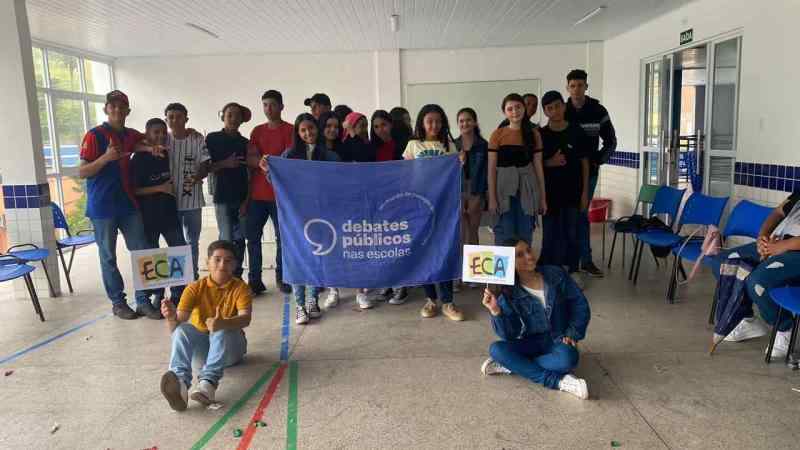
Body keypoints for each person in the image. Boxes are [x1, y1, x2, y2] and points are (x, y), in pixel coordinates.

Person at [481, 238, 590, 400]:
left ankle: (515, 365)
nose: (529, 256)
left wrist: (572, 334)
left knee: (568, 359)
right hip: (531, 341)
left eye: (529, 250)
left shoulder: (555, 274)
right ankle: (558, 382)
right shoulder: (509, 293)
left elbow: (580, 305)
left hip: (558, 339)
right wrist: (496, 311)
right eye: (520, 255)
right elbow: (510, 335)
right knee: (496, 349)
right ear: (509, 262)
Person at [78, 90, 151, 320]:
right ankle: (118, 303)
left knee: (142, 252)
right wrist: (105, 158)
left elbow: (145, 141)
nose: (117, 110)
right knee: (108, 256)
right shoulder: (94, 135)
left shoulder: (131, 134)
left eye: (122, 107)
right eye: (113, 107)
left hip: (128, 203)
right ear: (106, 109)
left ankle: (143, 301)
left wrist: (151, 147)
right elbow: (82, 171)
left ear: (128, 111)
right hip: (102, 207)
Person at [260, 113, 339, 324]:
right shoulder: (289, 155)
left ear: (317, 129)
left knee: (316, 256)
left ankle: (312, 300)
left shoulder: (329, 155)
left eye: (311, 128)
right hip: (295, 216)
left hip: (321, 215)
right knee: (296, 257)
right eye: (303, 130)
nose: (308, 133)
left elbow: (340, 181)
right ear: (298, 133)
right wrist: (268, 170)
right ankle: (300, 306)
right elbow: (277, 181)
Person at [159, 240, 252, 411]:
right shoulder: (194, 288)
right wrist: (171, 317)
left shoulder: (241, 288)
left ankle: (207, 386)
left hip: (231, 351)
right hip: (203, 354)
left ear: (235, 265)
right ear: (207, 262)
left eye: (228, 260)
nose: (222, 264)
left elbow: (245, 319)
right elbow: (175, 329)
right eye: (217, 259)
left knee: (221, 329)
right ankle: (180, 384)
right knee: (182, 330)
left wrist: (224, 322)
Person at [711, 192, 800, 358]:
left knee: (758, 281)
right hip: (779, 244)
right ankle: (747, 319)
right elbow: (778, 212)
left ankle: (784, 328)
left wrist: (781, 246)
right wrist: (762, 238)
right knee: (724, 262)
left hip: (795, 253)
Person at [403, 104, 464, 321]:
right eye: (430, 121)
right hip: (419, 206)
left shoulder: (449, 144)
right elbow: (405, 174)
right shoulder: (413, 145)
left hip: (444, 206)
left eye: (438, 121)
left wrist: (461, 164)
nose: (434, 125)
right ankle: (430, 300)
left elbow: (455, 175)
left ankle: (448, 301)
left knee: (444, 250)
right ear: (421, 122)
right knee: (424, 251)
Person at [131, 118, 188, 317]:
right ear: (147, 134)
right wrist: (160, 188)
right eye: (156, 132)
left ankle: (178, 295)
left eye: (163, 132)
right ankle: (157, 296)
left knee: (178, 252)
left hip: (169, 213)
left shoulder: (164, 153)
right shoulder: (138, 159)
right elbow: (135, 190)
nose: (161, 136)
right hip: (149, 216)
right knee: (152, 258)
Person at [565, 69, 617, 278]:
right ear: (567, 87)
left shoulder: (598, 110)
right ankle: (570, 261)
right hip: (565, 174)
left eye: (580, 85)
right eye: (572, 85)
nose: (576, 89)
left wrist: (597, 159)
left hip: (589, 173)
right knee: (569, 215)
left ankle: (585, 260)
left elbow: (611, 141)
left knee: (581, 214)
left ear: (586, 86)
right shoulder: (563, 110)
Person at [538, 91, 590, 281]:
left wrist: (585, 193)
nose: (555, 111)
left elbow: (585, 163)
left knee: (572, 232)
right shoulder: (541, 134)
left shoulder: (577, 131)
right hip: (550, 194)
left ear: (564, 106)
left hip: (573, 193)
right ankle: (549, 271)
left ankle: (573, 270)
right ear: (545, 111)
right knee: (550, 233)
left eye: (557, 106)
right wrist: (549, 162)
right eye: (549, 108)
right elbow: (536, 164)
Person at [246, 90, 293, 295]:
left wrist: (274, 162)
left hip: (280, 195)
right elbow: (250, 158)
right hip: (257, 195)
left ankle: (283, 277)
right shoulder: (256, 131)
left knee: (282, 239)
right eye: (265, 105)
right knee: (253, 238)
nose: (268, 109)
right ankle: (254, 281)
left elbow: (292, 161)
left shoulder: (291, 130)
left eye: (272, 104)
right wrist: (259, 162)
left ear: (281, 106)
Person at [487, 93, 547, 246]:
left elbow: (538, 167)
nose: (515, 112)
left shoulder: (534, 135)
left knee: (525, 231)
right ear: (505, 112)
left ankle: (523, 269)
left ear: (524, 108)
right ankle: (506, 270)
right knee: (504, 232)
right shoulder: (497, 134)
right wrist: (492, 198)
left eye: (518, 107)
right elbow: (492, 169)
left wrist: (542, 198)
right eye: (510, 109)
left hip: (527, 189)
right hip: (503, 190)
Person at [163, 103, 209, 281]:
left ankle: (193, 276)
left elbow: (206, 166)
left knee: (192, 241)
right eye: (171, 117)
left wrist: (197, 176)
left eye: (179, 116)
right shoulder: (162, 139)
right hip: (169, 201)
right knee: (175, 243)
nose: (174, 120)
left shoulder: (196, 139)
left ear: (186, 119)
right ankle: (179, 278)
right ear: (166, 119)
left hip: (193, 201)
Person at [206, 102, 251, 279]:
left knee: (240, 240)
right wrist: (225, 163)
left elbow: (249, 173)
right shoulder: (212, 138)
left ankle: (237, 275)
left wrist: (247, 200)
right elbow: (205, 167)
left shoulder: (245, 143)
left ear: (242, 120)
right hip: (222, 197)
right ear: (222, 116)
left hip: (241, 198)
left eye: (237, 115)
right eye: (229, 114)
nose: (233, 118)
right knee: (225, 239)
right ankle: (223, 276)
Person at [455, 108, 489, 268]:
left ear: (475, 122)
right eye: (461, 121)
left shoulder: (483, 145)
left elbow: (486, 173)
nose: (465, 123)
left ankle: (474, 271)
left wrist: (480, 196)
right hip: (458, 191)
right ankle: (460, 272)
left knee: (473, 232)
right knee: (461, 233)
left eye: (468, 120)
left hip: (476, 190)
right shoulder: (453, 144)